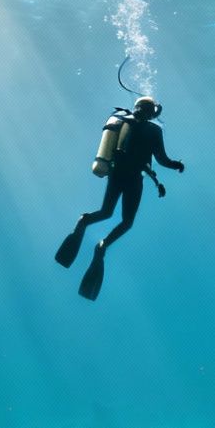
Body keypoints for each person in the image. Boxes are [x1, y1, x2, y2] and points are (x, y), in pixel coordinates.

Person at [55, 96, 184, 300]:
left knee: (106, 212)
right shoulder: (154, 130)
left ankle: (84, 221)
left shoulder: (122, 121)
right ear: (152, 112)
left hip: (117, 175)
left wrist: (157, 181)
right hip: (134, 180)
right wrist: (178, 165)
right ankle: (103, 245)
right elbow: (161, 159)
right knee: (127, 222)